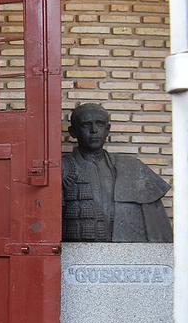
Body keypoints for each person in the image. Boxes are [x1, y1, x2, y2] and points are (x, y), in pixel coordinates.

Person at [62, 102, 172, 242]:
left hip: (127, 251)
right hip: (77, 250)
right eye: (86, 125)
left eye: (100, 124)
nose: (94, 130)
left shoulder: (133, 168)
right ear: (73, 132)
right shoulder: (62, 168)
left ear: (107, 129)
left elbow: (157, 228)